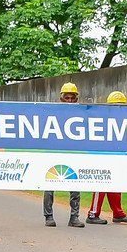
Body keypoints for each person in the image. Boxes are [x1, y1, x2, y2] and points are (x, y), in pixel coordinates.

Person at [84, 92, 127, 225]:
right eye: (115, 105)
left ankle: (118, 213)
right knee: (101, 184)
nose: (118, 108)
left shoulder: (124, 121)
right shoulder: (102, 120)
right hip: (102, 156)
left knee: (116, 183)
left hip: (117, 156)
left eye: (121, 105)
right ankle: (93, 214)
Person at [44, 82, 83, 227]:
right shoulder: (53, 113)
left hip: (73, 152)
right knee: (49, 184)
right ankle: (48, 216)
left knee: (75, 185)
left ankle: (74, 217)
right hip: (54, 152)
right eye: (67, 98)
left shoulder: (81, 114)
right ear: (61, 99)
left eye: (73, 98)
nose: (70, 101)